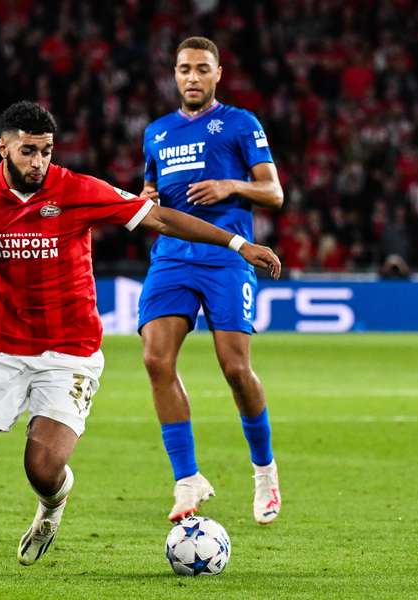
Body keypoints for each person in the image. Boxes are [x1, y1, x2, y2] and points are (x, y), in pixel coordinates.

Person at [0, 101, 280, 573]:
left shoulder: (76, 188)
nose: (38, 161)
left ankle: (51, 507)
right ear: (4, 148)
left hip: (69, 354)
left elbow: (159, 218)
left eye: (45, 151)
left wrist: (238, 243)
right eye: (27, 151)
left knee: (41, 469)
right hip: (1, 351)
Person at [138, 36, 285, 525]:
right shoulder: (156, 133)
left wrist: (231, 185)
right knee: (156, 359)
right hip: (171, 258)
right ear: (174, 75)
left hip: (227, 259)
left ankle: (264, 471)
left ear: (218, 74)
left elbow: (274, 192)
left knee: (235, 369)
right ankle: (187, 478)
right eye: (184, 69)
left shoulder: (241, 124)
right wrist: (146, 196)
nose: (193, 77)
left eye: (202, 69)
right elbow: (152, 192)